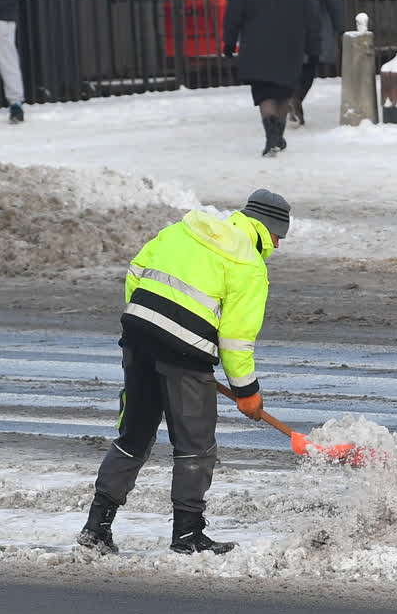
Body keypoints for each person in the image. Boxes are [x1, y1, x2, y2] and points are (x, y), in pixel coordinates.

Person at [76, 189, 293, 557]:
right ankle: (188, 534)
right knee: (195, 444)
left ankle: (96, 528)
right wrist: (247, 391)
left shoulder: (183, 230)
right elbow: (236, 339)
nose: (277, 245)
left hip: (137, 335)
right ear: (268, 229)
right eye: (278, 237)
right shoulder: (249, 264)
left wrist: (146, 323)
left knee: (134, 435)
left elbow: (137, 271)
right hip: (184, 352)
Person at [221, 0, 321, 156]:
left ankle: (271, 136)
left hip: (257, 46)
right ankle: (278, 135)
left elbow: (233, 13)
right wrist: (314, 49)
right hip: (290, 46)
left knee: (265, 93)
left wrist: (229, 42)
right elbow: (312, 17)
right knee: (284, 92)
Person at [286, 0, 345, 126]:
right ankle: (297, 99)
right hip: (314, 21)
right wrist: (339, 25)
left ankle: (291, 98)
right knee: (309, 66)